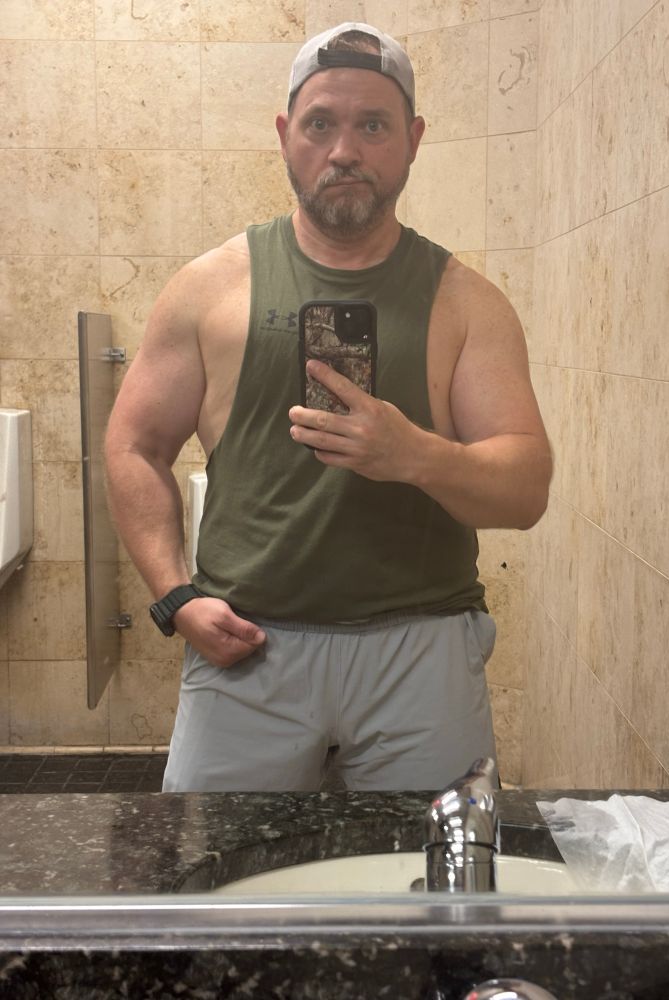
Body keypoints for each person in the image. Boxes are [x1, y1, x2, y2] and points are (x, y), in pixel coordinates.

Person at [104, 22, 552, 793]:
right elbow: (133, 447)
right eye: (320, 124)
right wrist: (176, 597)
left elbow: (526, 488)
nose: (344, 150)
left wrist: (414, 455)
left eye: (373, 125)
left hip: (422, 650)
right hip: (248, 646)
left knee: (428, 870)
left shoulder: (466, 303)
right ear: (286, 136)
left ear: (412, 140)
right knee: (217, 865)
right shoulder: (210, 288)